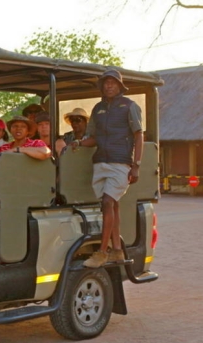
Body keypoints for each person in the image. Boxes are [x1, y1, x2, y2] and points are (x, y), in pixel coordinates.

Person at [71, 68, 143, 268]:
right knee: (113, 204)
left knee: (107, 202)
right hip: (100, 161)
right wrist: (77, 144)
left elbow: (139, 135)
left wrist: (136, 165)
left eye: (113, 83)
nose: (109, 86)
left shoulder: (129, 106)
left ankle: (102, 252)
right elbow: (93, 138)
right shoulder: (97, 109)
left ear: (120, 86)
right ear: (102, 86)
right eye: (106, 83)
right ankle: (117, 250)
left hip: (121, 162)